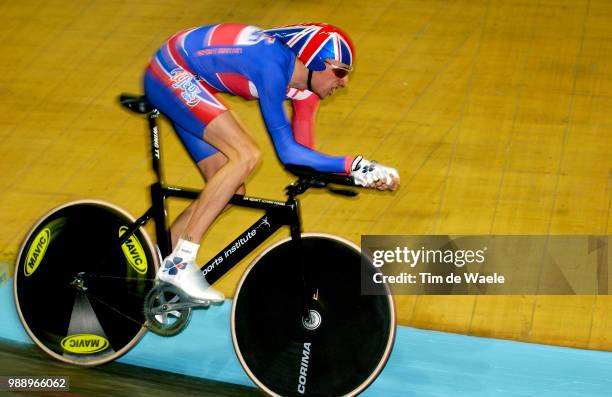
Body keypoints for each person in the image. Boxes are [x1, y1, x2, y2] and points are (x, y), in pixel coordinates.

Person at [143, 22, 400, 303]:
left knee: (231, 191)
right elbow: (287, 152)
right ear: (315, 59)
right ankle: (180, 264)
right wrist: (353, 163)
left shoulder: (307, 92)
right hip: (171, 71)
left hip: (192, 80)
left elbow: (302, 156)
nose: (344, 82)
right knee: (246, 155)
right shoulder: (272, 65)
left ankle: (154, 264)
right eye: (339, 71)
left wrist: (362, 174)